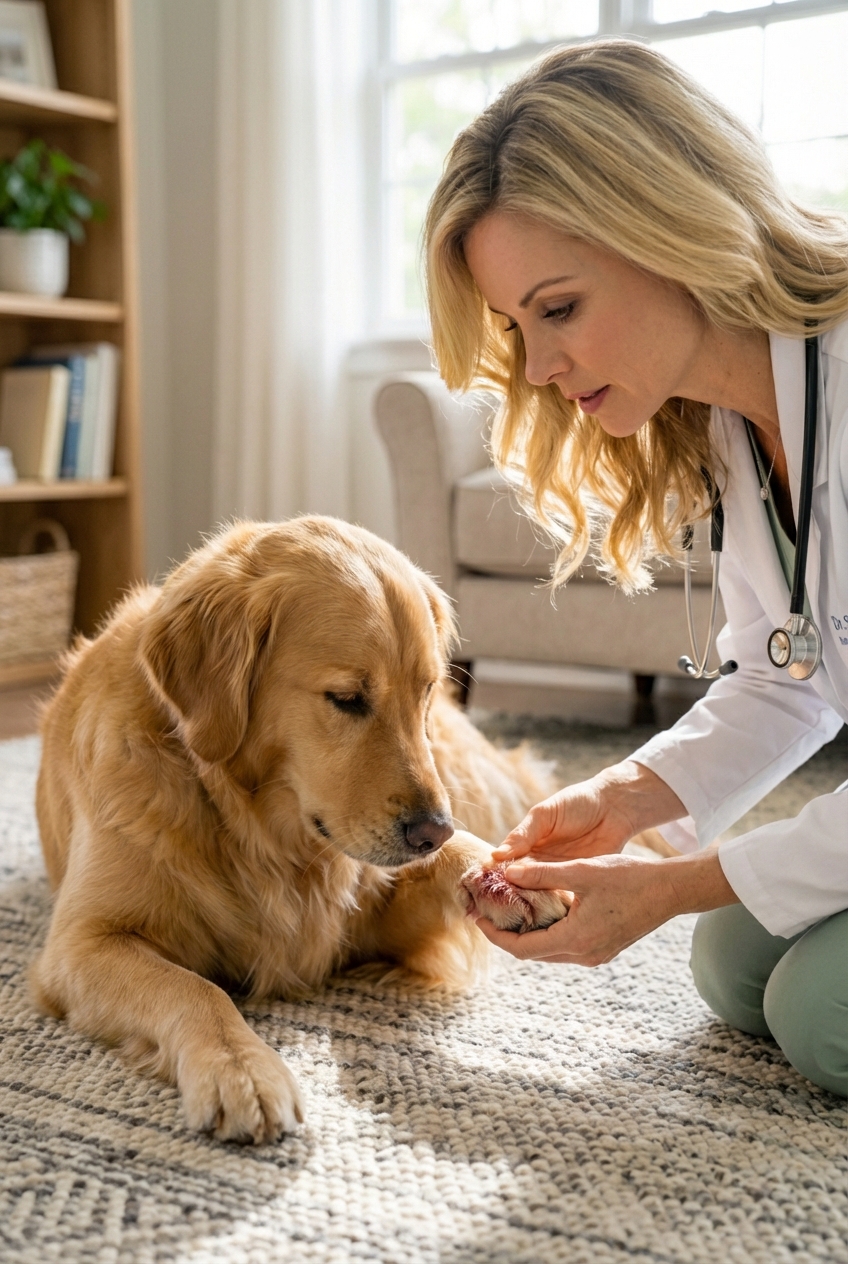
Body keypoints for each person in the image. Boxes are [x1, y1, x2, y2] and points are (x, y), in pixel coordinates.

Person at [423, 40, 848, 1097]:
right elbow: (782, 674)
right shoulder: (732, 427)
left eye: (556, 307)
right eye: (516, 325)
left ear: (672, 230)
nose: (536, 367)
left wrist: (668, 885)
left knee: (817, 1013)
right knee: (734, 962)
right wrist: (628, 799)